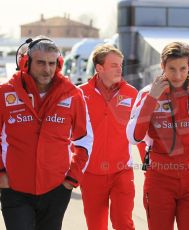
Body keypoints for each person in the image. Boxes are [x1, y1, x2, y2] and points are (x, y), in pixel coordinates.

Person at [0, 36, 93, 230]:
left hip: (56, 190)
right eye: (41, 63)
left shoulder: (73, 95)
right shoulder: (4, 92)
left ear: (58, 64)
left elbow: (84, 140)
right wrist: (0, 174)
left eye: (52, 63)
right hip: (15, 189)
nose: (47, 69)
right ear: (26, 63)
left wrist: (71, 179)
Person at [126, 41, 189, 230]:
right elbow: (134, 137)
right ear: (162, 66)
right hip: (159, 181)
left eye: (183, 68)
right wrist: (152, 99)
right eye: (172, 69)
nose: (178, 75)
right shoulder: (148, 93)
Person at [80, 44, 137, 230]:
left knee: (124, 223)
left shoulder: (131, 93)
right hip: (90, 173)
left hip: (122, 170)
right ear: (99, 68)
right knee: (96, 226)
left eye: (121, 65)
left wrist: (149, 161)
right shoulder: (79, 94)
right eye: (114, 65)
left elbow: (141, 131)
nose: (119, 69)